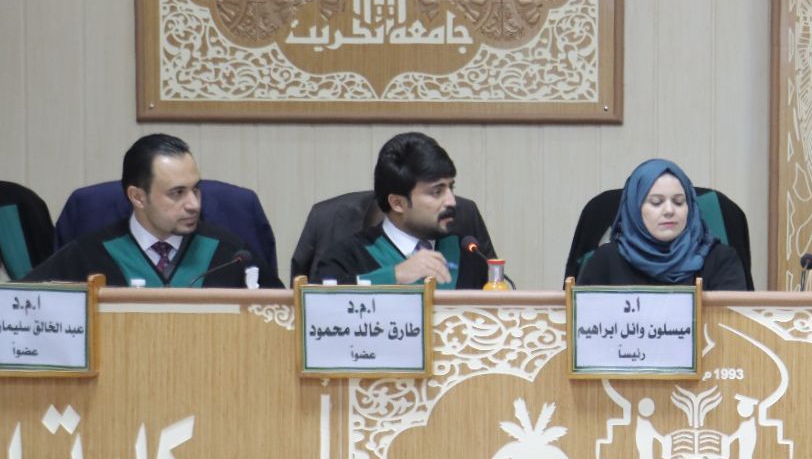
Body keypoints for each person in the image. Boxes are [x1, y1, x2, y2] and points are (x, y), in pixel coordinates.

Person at [24, 134, 278, 288]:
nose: (194, 204)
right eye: (177, 193)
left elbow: (283, 319)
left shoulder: (231, 256)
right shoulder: (87, 256)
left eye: (196, 189)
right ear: (138, 197)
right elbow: (21, 306)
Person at [312, 132, 490, 289]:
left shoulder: (469, 254)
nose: (452, 201)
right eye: (437, 192)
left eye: (451, 187)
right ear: (397, 203)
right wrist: (394, 276)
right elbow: (320, 303)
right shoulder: (346, 257)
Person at [575, 159, 749, 290]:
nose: (669, 210)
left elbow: (733, 324)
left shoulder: (720, 259)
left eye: (679, 202)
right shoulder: (606, 260)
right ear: (635, 209)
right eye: (656, 202)